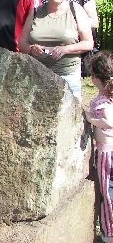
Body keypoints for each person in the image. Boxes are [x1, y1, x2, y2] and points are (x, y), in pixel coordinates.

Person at [19, 0, 93, 98]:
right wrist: (31, 49)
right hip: (37, 74)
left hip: (68, 76)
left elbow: (88, 43)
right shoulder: (35, 12)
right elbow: (22, 43)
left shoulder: (76, 10)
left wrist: (65, 49)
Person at [84, 51, 113, 242]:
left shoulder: (103, 100)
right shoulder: (109, 95)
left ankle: (109, 233)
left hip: (106, 152)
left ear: (95, 78)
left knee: (107, 192)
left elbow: (108, 121)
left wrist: (90, 119)